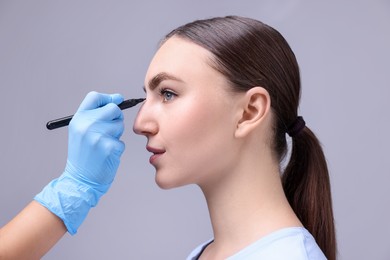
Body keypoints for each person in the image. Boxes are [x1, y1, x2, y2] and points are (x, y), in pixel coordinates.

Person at [0, 16, 336, 260]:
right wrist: (73, 188)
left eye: (168, 94)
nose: (140, 123)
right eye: (146, 96)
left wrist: (73, 190)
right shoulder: (205, 254)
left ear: (249, 112)